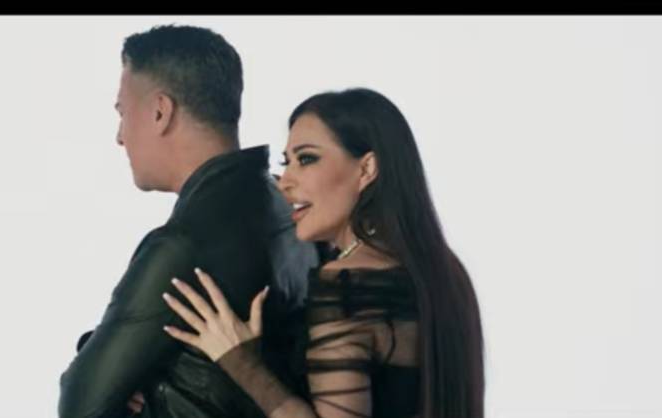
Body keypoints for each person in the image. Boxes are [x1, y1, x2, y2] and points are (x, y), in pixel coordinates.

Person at [161, 88, 485, 418]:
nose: (285, 182)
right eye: (286, 162)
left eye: (306, 159)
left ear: (367, 169)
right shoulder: (444, 270)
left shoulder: (347, 284)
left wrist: (241, 363)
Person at [58, 24, 317, 418]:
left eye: (123, 113)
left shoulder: (182, 244)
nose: (120, 137)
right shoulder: (288, 207)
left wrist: (131, 380)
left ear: (160, 112)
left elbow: (81, 406)